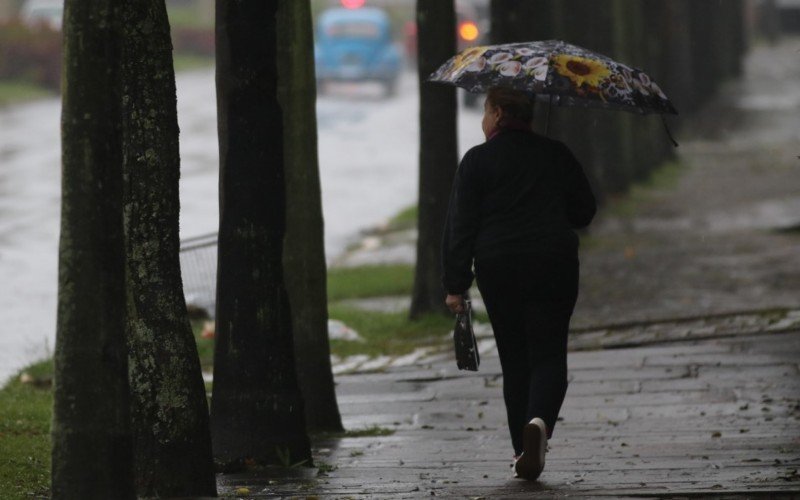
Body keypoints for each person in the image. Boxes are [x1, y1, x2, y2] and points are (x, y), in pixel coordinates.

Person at [441, 87, 596, 480]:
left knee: (514, 358)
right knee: (548, 353)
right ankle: (539, 424)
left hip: (499, 268)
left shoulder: (477, 161)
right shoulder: (555, 154)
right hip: (553, 263)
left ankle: (520, 450)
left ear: (495, 113)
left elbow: (460, 226)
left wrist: (456, 284)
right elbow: (584, 211)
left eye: (485, 111)